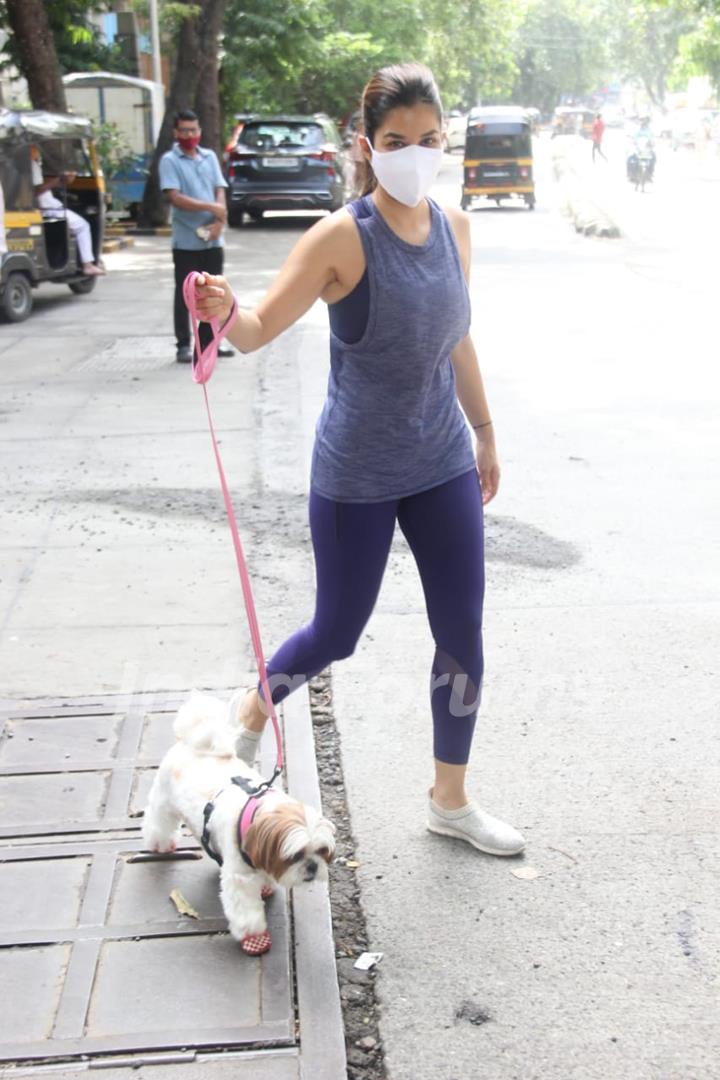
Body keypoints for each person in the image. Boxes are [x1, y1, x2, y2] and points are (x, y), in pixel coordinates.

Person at [192, 63, 526, 858]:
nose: (413, 154)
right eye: (394, 141)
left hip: (441, 457)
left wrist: (483, 429)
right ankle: (249, 714)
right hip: (356, 475)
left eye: (428, 140)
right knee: (337, 633)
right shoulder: (343, 236)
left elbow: (457, 337)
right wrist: (223, 307)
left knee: (462, 633)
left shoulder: (456, 227)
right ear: (366, 146)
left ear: (445, 140)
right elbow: (260, 325)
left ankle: (450, 799)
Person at [159, 109, 233, 364]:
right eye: (184, 131)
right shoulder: (170, 160)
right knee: (186, 293)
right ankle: (183, 345)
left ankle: (209, 344)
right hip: (186, 242)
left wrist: (219, 221)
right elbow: (175, 198)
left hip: (213, 239)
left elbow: (219, 189)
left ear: (199, 131)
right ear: (176, 133)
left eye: (193, 130)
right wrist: (210, 208)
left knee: (213, 294)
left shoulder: (209, 157)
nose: (190, 135)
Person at [30, 147, 104, 276]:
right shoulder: (31, 165)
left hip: (46, 205)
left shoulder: (18, 164)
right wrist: (56, 181)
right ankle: (88, 265)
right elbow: (35, 191)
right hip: (46, 208)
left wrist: (61, 181)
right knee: (83, 226)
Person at [627, 116, 656, 181]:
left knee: (654, 158)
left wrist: (652, 143)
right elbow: (634, 138)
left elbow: (653, 139)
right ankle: (630, 174)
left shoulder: (650, 131)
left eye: (645, 121)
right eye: (642, 121)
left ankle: (650, 174)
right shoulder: (637, 130)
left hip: (647, 149)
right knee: (629, 158)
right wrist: (633, 142)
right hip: (638, 149)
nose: (644, 123)